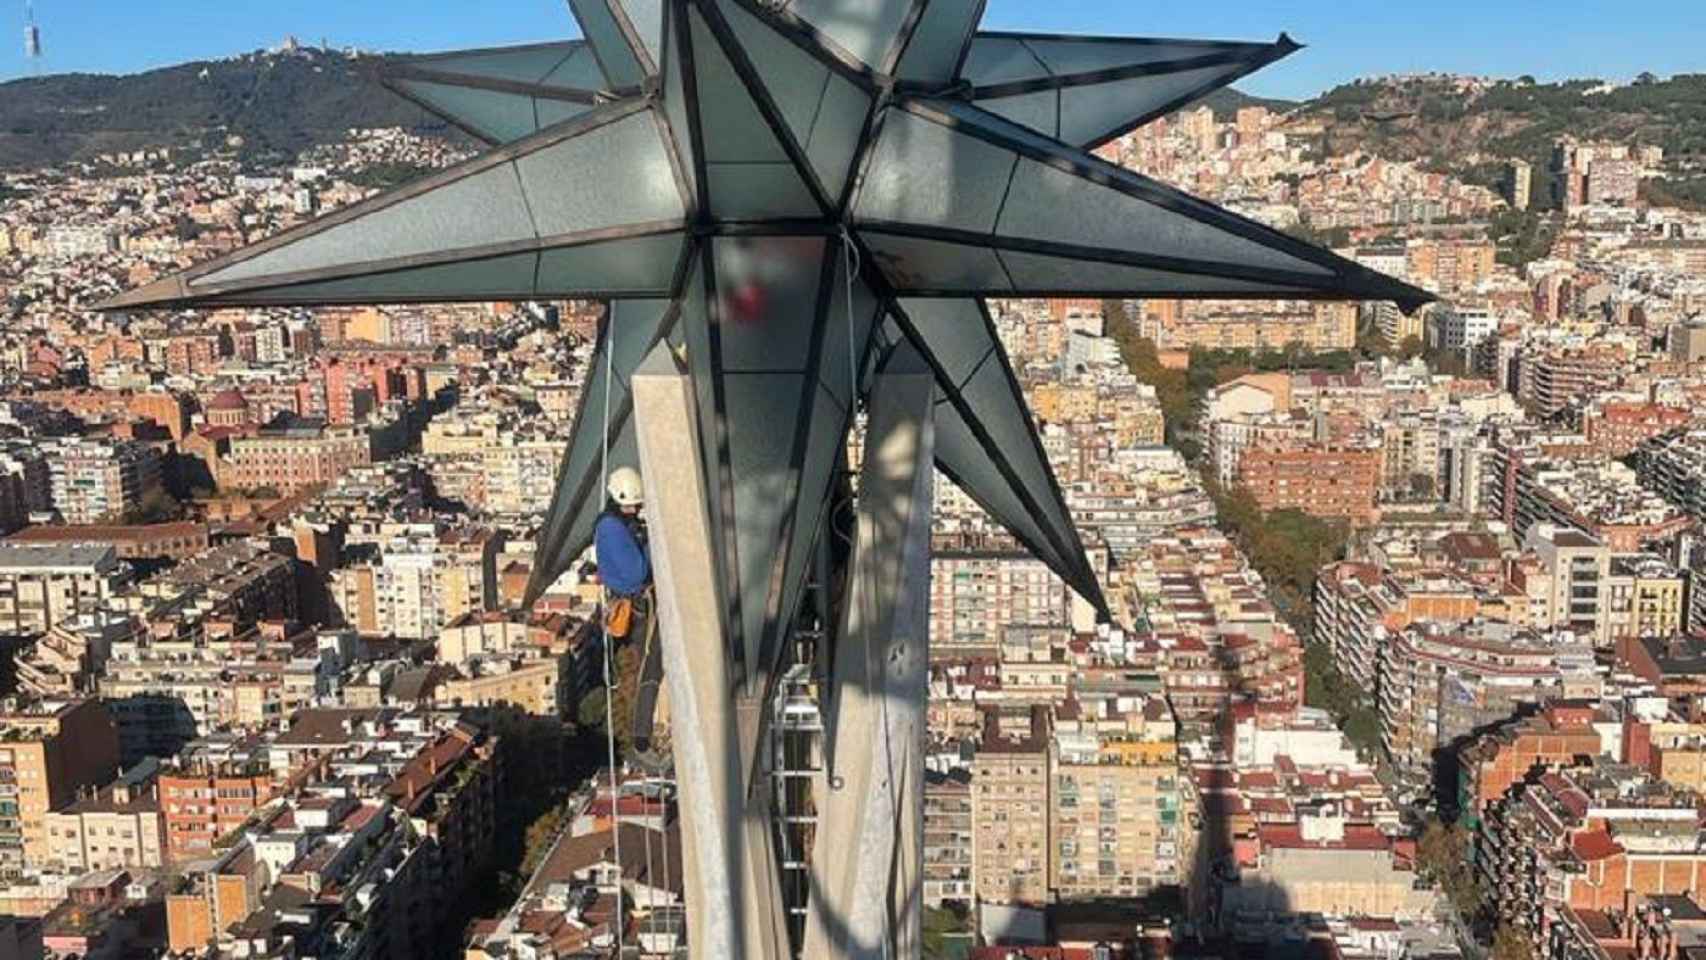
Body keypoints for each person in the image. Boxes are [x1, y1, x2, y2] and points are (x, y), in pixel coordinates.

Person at [594, 466, 670, 772]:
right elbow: (637, 572)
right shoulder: (613, 528)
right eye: (632, 505)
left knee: (651, 665)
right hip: (638, 603)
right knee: (651, 666)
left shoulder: (614, 523)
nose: (635, 509)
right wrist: (652, 542)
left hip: (636, 602)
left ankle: (644, 738)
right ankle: (641, 740)